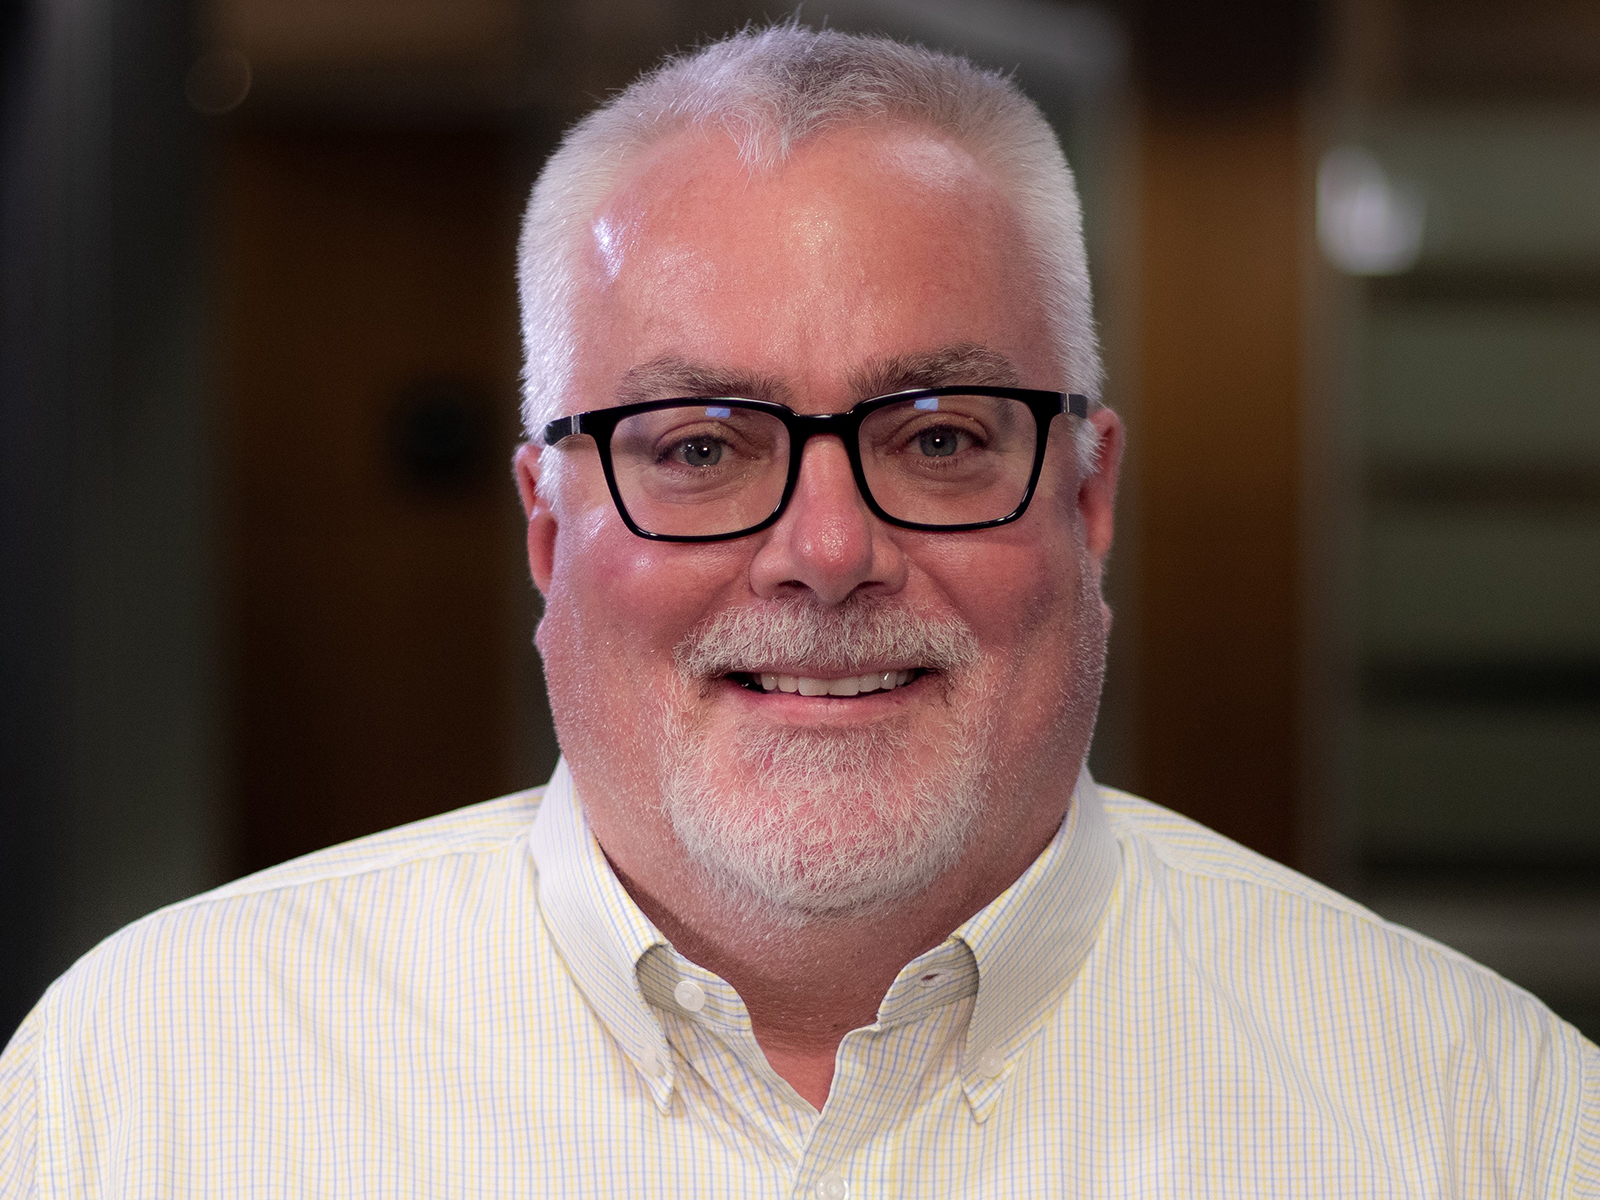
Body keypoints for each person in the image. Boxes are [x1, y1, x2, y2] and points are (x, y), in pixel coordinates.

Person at [2, 25, 1595, 1197]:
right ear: (548, 530)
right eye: (699, 446)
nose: (825, 550)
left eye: (942, 438)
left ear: (1089, 500)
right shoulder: (148, 1090)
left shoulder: (1476, 1121)